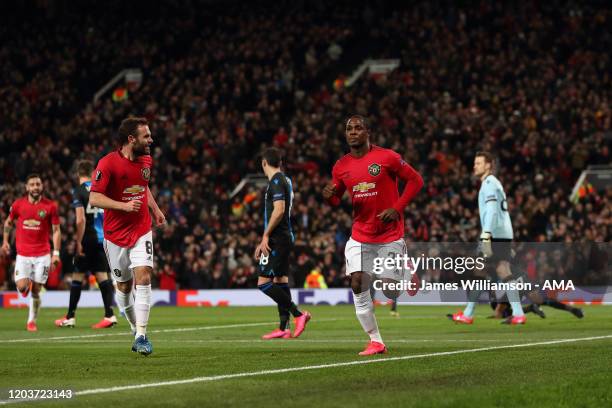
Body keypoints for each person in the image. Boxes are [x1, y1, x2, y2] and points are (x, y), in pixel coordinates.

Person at [323, 115, 423, 355]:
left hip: (389, 234)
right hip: (360, 234)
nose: (353, 132)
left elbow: (416, 181)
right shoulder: (341, 166)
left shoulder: (386, 157)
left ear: (368, 132)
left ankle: (407, 271)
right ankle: (376, 341)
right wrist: (330, 196)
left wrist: (396, 208)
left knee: (390, 291)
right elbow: (337, 198)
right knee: (357, 282)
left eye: (358, 128)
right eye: (349, 128)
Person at [89, 117, 165, 355]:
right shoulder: (108, 163)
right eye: (146, 136)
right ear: (131, 139)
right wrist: (123, 206)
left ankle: (142, 335)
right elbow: (94, 198)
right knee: (123, 286)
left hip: (142, 229)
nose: (151, 140)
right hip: (114, 235)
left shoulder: (146, 160)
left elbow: (143, 186)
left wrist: (154, 208)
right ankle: (134, 327)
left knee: (143, 277)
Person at [449, 152, 526, 325]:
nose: (475, 166)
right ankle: (518, 314)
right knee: (502, 271)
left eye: (478, 163)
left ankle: (468, 314)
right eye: (475, 163)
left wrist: (486, 234)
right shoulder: (494, 183)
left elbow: (492, 210)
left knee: (481, 271)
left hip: (494, 234)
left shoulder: (489, 183)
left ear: (488, 165)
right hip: (504, 233)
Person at [255, 147, 311, 339]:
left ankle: (299, 314)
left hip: (277, 238)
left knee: (263, 283)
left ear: (264, 163)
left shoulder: (277, 181)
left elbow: (279, 210)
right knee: (280, 280)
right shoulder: (285, 180)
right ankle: (283, 327)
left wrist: (265, 236)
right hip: (284, 237)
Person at [55, 160, 117, 329]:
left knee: (77, 276)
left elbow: (80, 219)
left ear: (78, 174)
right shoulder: (101, 189)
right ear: (92, 173)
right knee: (102, 275)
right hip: (103, 237)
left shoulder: (79, 191)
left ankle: (71, 316)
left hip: (88, 238)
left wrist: (78, 242)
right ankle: (109, 315)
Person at [2, 174, 61, 332]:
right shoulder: (18, 205)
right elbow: (8, 222)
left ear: (42, 186)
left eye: (38, 184)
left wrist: (56, 253)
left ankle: (31, 321)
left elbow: (56, 230)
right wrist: (5, 241)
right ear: (27, 187)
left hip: (43, 254)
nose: (35, 187)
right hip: (23, 255)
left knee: (36, 289)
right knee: (22, 287)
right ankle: (25, 284)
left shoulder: (50, 206)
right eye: (32, 184)